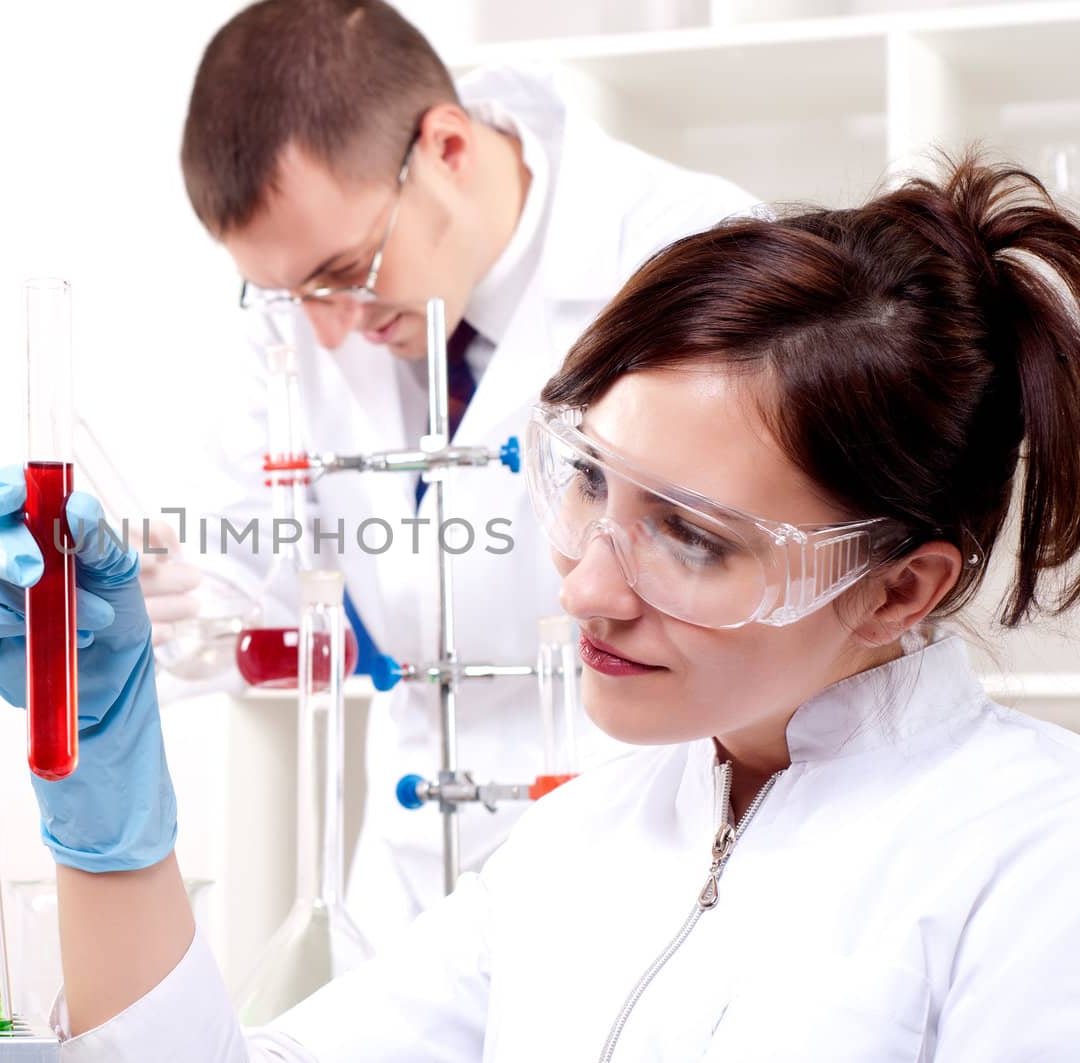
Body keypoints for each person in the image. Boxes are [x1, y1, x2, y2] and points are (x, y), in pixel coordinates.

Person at [0, 155, 1080, 1059]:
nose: (584, 587)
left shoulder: (1031, 861)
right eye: (588, 482)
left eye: (688, 536)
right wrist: (109, 818)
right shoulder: (581, 844)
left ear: (896, 587)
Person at [146, 0, 758, 945]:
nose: (324, 326)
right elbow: (249, 582)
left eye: (347, 271)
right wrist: (113, 602)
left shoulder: (689, 249)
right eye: (286, 294)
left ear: (447, 149)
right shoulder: (302, 310)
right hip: (410, 874)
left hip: (652, 848)